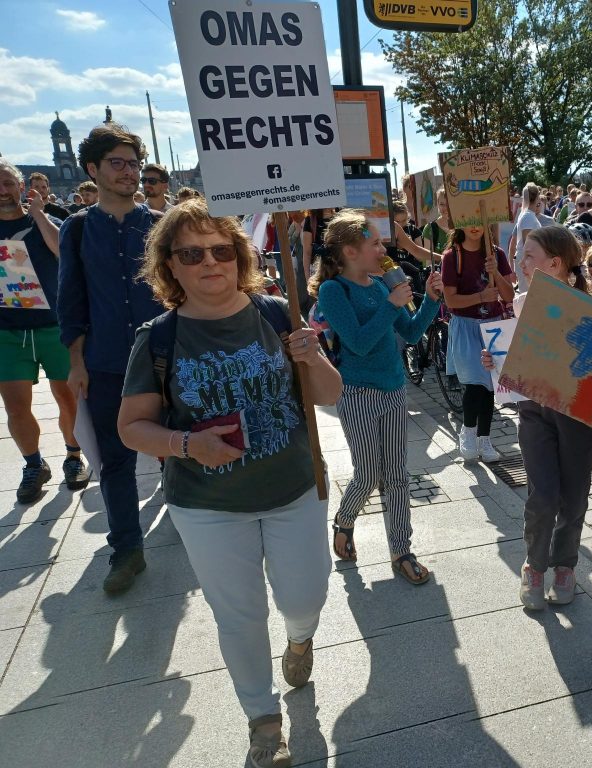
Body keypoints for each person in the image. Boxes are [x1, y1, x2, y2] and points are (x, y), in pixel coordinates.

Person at [118, 199, 340, 768]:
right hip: (207, 505)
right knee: (238, 615)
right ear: (170, 264)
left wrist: (312, 357)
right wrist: (188, 445)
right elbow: (131, 427)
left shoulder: (275, 312)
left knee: (306, 594)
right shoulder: (159, 338)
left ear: (239, 255)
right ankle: (263, 719)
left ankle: (300, 637)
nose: (209, 262)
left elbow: (329, 395)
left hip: (294, 490)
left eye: (221, 250)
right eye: (192, 253)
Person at [57, 123, 166, 595]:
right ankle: (126, 550)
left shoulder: (161, 224)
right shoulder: (78, 229)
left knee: (178, 450)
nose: (129, 173)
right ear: (92, 170)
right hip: (104, 362)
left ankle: (198, 526)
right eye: (118, 164)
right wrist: (76, 362)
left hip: (166, 357)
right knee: (115, 460)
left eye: (134, 164)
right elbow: (71, 300)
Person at [311, 210, 443, 585]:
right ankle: (345, 518)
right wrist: (391, 304)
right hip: (357, 393)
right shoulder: (334, 290)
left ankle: (401, 549)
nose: (382, 249)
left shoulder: (383, 285)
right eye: (374, 243)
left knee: (398, 475)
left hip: (393, 389)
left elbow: (413, 334)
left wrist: (430, 300)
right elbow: (359, 343)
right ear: (351, 251)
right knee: (368, 473)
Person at [481, 226, 592, 609]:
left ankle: (565, 564)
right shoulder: (520, 302)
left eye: (529, 256)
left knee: (575, 496)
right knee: (543, 495)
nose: (521, 262)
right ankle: (535, 565)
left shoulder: (588, 308)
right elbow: (516, 357)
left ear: (555, 264)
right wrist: (495, 361)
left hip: (576, 415)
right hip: (534, 412)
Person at [0, 159, 90, 503]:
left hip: (54, 327)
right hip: (8, 333)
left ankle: (72, 456)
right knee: (15, 406)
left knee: (67, 398)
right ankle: (34, 465)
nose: (3, 191)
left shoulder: (46, 221)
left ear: (22, 188)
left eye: (8, 183)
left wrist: (38, 215)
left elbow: (64, 253)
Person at [441, 220, 515, 461]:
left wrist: (494, 273)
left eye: (479, 221)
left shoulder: (497, 254)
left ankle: (485, 438)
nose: (475, 226)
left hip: (493, 327)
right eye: (469, 221)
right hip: (466, 327)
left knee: (489, 385)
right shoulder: (452, 257)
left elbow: (508, 295)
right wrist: (480, 296)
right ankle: (468, 431)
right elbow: (451, 301)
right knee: (474, 383)